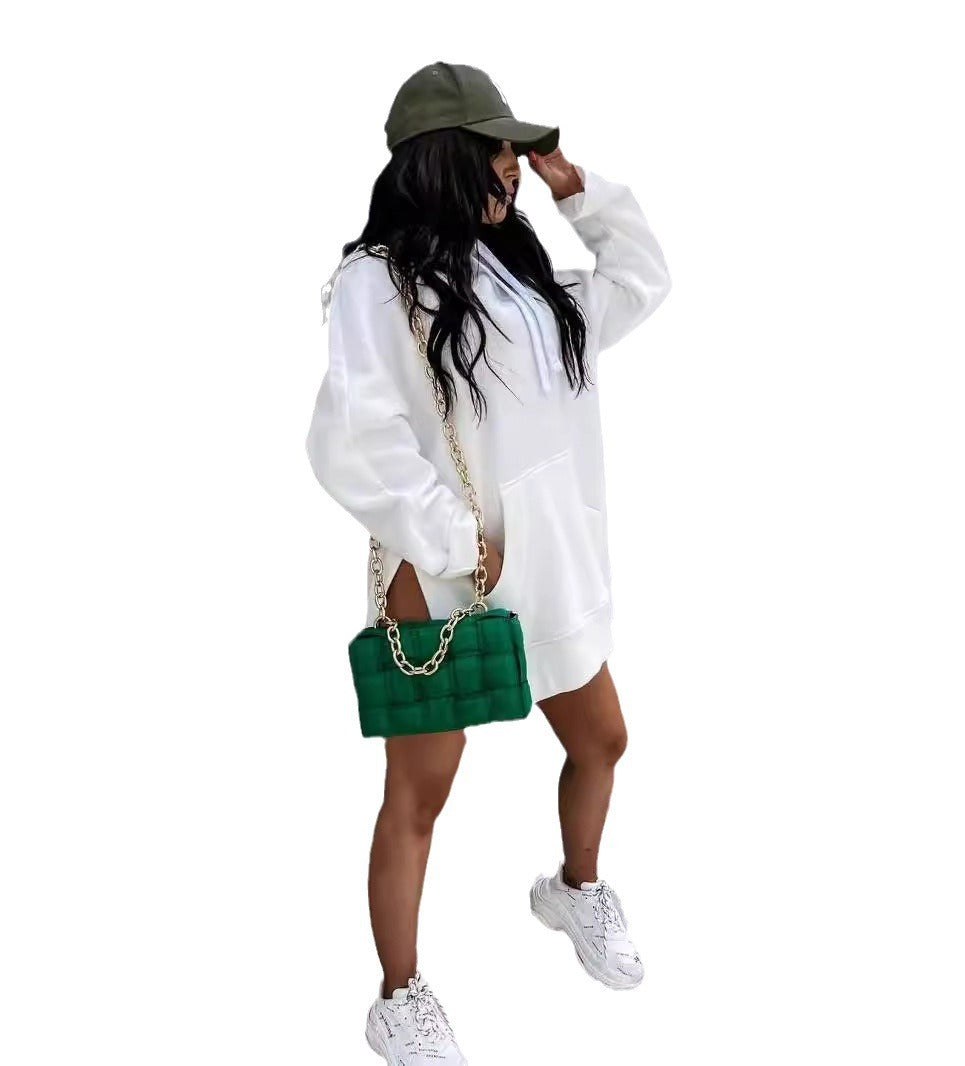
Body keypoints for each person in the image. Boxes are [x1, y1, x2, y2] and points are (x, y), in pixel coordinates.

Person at [305, 61, 671, 1065]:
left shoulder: (523, 275)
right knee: (419, 795)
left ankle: (574, 889)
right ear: (442, 158)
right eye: (498, 148)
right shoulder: (376, 283)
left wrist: (581, 192)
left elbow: (642, 281)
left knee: (603, 738)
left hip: (552, 566)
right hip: (445, 574)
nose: (514, 165)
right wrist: (457, 540)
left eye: (517, 150)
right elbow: (351, 441)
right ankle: (398, 997)